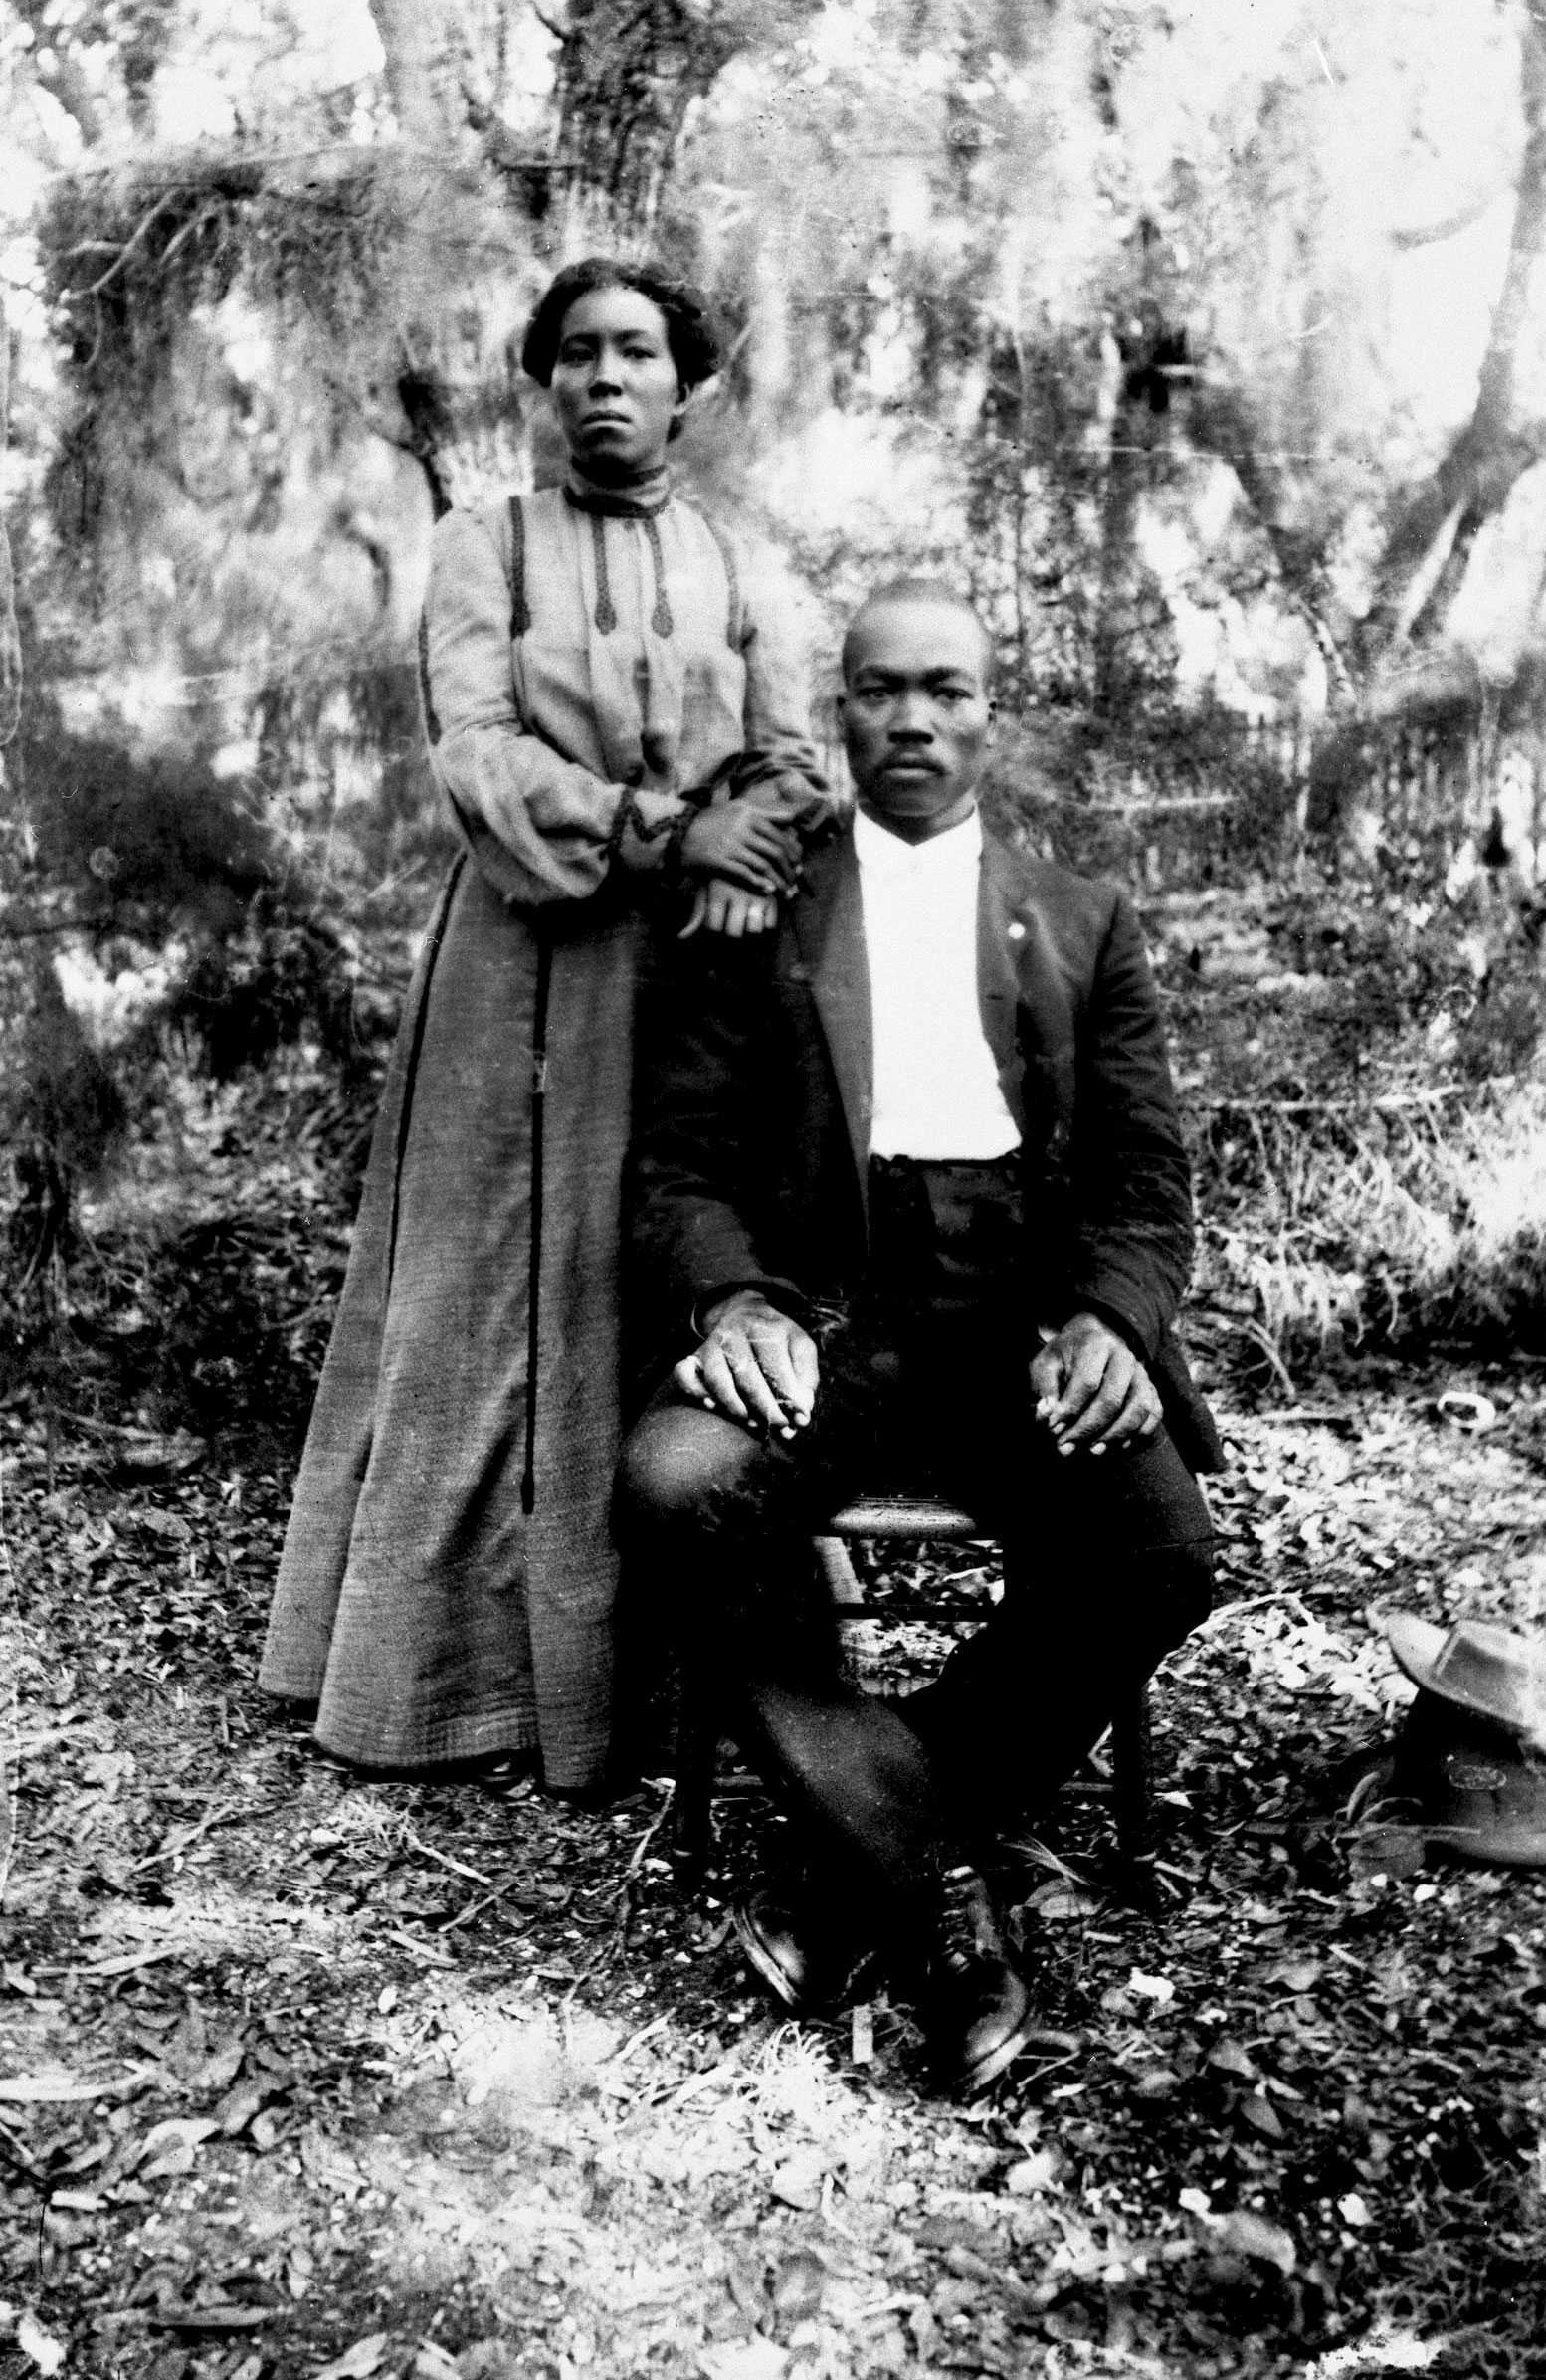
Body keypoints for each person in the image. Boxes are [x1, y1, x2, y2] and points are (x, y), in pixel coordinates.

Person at [621, 580, 1221, 2095]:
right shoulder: (760, 911)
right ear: (841, 709)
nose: (912, 718)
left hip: (1017, 1340)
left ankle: (857, 1850)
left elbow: (1148, 1180)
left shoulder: (1082, 922)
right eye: (880, 690)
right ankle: (934, 1885)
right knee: (679, 1485)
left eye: (944, 688)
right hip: (823, 1331)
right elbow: (677, 1165)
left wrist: (1108, 1320)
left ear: (987, 711)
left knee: (1160, 1543)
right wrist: (736, 1299)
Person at [261, 259, 828, 1792]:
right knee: (493, 1289)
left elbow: (797, 757)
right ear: (544, 381)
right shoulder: (483, 544)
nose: (603, 379)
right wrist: (663, 831)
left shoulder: (739, 561)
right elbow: (480, 754)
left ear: (686, 383)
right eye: (573, 354)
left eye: (636, 351)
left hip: (694, 982)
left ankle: (659, 1676)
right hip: (521, 967)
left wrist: (742, 855)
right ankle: (452, 1678)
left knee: (654, 1274)